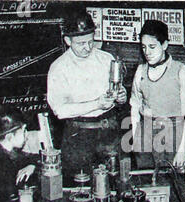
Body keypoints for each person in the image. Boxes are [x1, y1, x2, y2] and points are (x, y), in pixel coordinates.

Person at [47, 10, 126, 185]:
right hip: (78, 137)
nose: (87, 48)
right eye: (81, 43)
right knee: (79, 188)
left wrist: (121, 96)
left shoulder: (106, 59)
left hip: (109, 133)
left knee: (115, 183)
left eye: (91, 41)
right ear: (67, 40)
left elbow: (118, 91)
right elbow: (60, 110)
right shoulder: (59, 68)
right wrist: (96, 103)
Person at [130, 20, 185, 169]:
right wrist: (135, 137)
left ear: (164, 44)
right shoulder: (140, 70)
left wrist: (182, 149)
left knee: (172, 181)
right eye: (144, 47)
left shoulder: (181, 71)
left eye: (152, 47)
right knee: (145, 182)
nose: (147, 52)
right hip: (145, 133)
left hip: (173, 135)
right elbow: (134, 106)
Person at [0, 106, 39, 202]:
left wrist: (32, 166)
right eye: (24, 131)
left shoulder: (7, 152)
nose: (27, 135)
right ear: (10, 137)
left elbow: (32, 158)